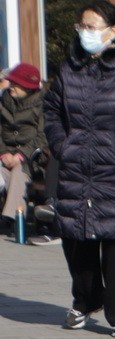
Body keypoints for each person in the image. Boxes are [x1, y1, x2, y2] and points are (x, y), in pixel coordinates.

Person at [44, 1, 115, 338]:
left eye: (92, 27)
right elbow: (51, 110)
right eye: (82, 27)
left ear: (112, 32)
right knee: (77, 241)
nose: (85, 33)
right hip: (76, 170)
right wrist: (61, 144)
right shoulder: (68, 69)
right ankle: (84, 300)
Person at [0, 62, 47, 235]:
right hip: (5, 157)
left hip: (32, 159)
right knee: (6, 175)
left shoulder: (42, 105)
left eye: (15, 83)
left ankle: (12, 218)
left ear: (27, 86)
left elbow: (42, 137)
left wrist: (20, 155)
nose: (10, 86)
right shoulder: (4, 101)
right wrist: (4, 153)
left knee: (20, 172)